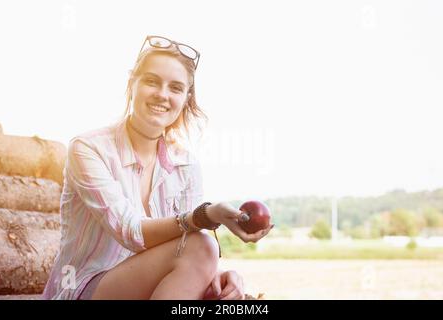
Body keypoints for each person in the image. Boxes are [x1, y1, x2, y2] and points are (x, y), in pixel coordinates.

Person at [42, 35, 273, 300]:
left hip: (148, 289)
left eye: (175, 88)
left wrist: (218, 276)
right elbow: (131, 232)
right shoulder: (89, 148)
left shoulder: (185, 165)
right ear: (132, 84)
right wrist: (206, 215)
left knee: (231, 295)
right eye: (152, 81)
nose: (162, 94)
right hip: (80, 288)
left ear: (186, 98)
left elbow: (186, 253)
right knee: (203, 244)